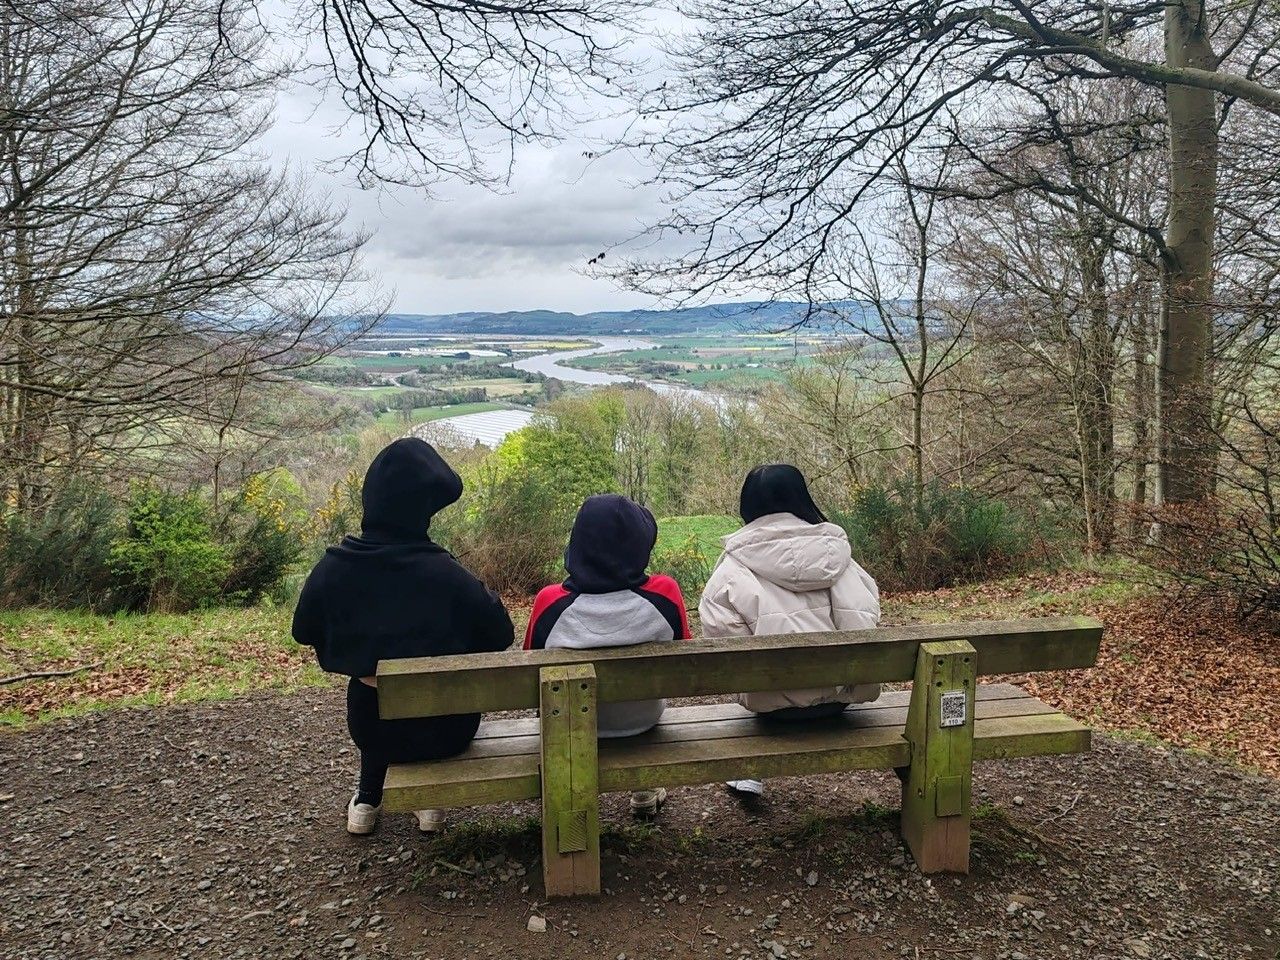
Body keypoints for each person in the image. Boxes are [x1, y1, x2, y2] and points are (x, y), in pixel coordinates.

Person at [292, 438, 514, 835]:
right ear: (423, 511)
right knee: (428, 699)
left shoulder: (334, 569)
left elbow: (302, 630)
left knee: (374, 693)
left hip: (371, 731)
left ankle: (367, 801)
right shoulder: (446, 575)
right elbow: (501, 633)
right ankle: (430, 803)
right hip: (448, 731)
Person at [699, 463, 880, 796]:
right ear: (803, 499)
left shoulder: (729, 573)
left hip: (775, 709)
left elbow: (728, 657)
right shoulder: (843, 560)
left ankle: (746, 772)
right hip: (841, 701)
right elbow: (867, 619)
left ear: (747, 507)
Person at [525, 494, 691, 818]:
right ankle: (644, 788)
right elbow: (685, 655)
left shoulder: (550, 602)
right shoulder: (665, 594)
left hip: (567, 725)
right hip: (642, 719)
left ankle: (571, 809)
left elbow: (530, 665)